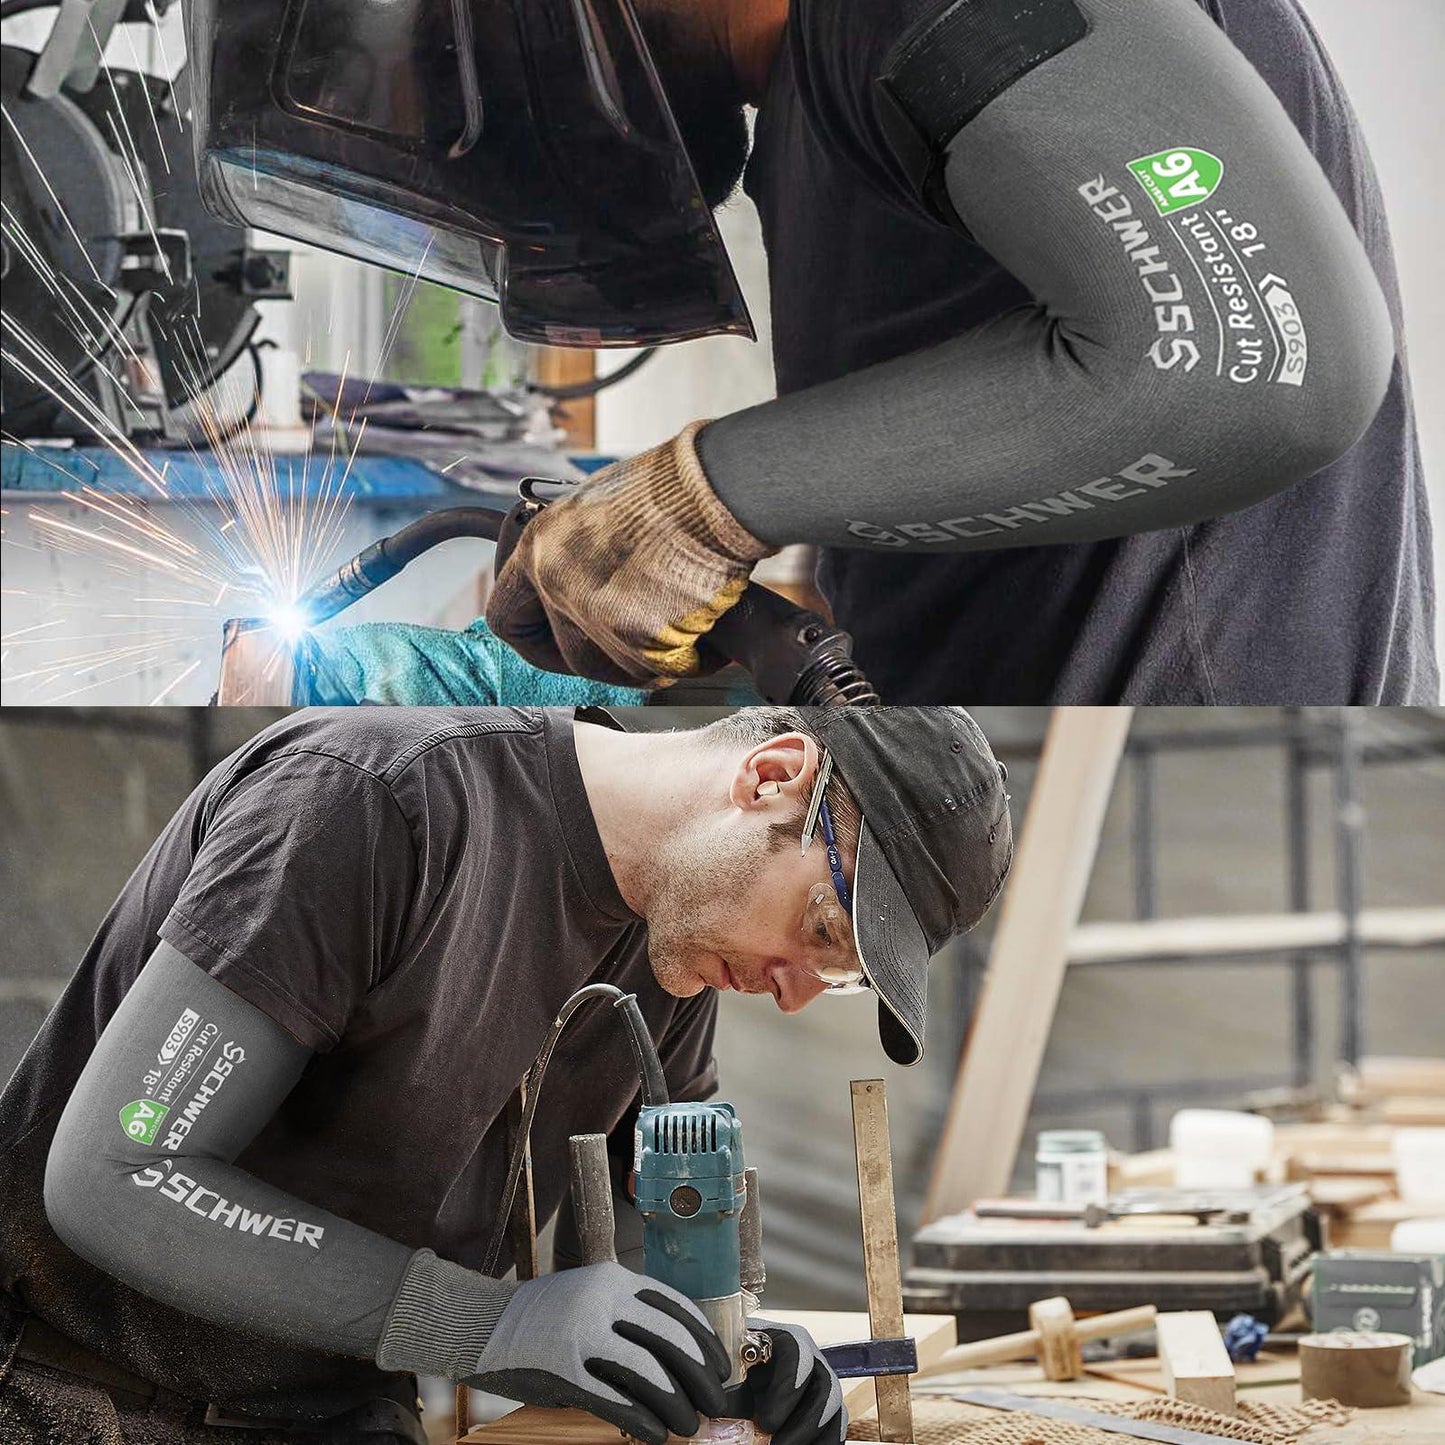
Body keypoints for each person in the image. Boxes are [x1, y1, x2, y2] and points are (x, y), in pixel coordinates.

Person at [0, 706, 1013, 1445]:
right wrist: (488, 1322)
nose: (792, 992)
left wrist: (730, 1346)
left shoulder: (674, 948)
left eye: (833, 980)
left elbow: (664, 1219)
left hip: (335, 1413)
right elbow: (116, 1174)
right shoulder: (370, 800)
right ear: (769, 776)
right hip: (74, 1396)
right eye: (820, 932)